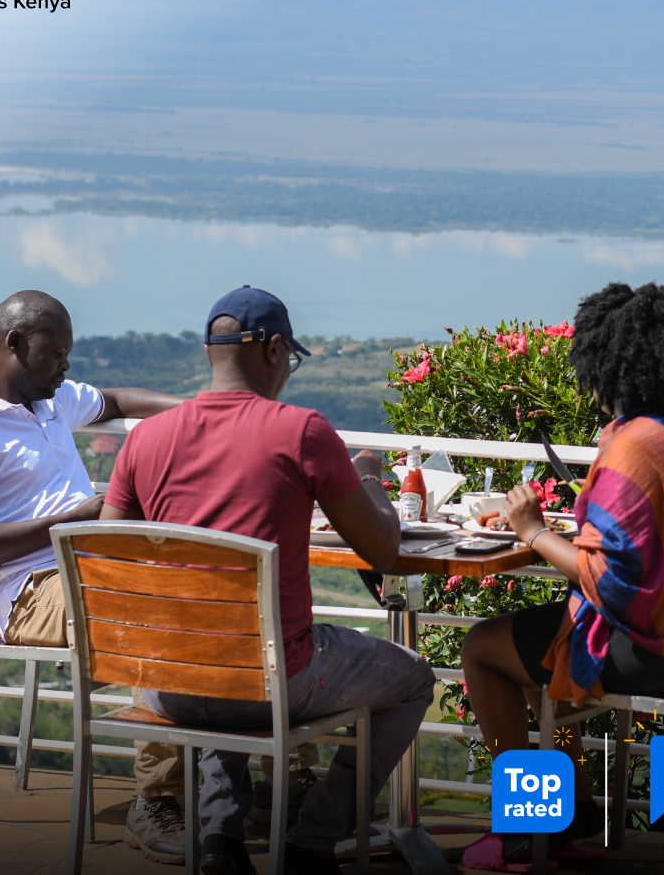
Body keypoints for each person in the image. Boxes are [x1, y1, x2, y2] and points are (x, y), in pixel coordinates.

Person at [101, 286, 436, 875]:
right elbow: (381, 549)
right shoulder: (301, 431)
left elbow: (111, 562)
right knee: (410, 679)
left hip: (168, 681)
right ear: (276, 350)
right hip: (269, 683)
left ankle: (220, 840)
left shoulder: (144, 440)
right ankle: (313, 841)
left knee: (214, 648)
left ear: (210, 352)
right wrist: (371, 482)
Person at [461, 282, 664, 869]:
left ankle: (529, 826)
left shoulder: (631, 445)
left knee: (486, 648)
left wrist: (532, 532)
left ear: (602, 362)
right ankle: (575, 806)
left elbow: (607, 582)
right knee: (544, 643)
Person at [0, 290, 194, 865]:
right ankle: (157, 800)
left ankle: (268, 776)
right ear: (14, 345)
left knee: (216, 594)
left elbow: (114, 400)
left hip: (92, 564)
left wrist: (199, 411)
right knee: (153, 610)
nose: (67, 366)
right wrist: (69, 522)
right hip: (31, 593)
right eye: (57, 353)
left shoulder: (48, 399)